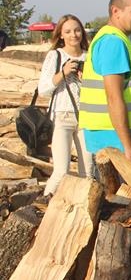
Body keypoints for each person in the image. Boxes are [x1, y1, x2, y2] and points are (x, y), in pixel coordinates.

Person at [79, 0, 131, 171]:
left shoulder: (112, 39)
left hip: (115, 137)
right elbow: (114, 98)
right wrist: (129, 148)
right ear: (116, 11)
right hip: (117, 141)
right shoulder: (113, 43)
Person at [37, 15, 93, 196]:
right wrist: (63, 72)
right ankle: (44, 205)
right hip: (62, 116)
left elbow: (97, 89)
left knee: (88, 171)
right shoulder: (55, 55)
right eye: (68, 31)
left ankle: (84, 207)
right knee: (61, 171)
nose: (73, 35)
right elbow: (43, 90)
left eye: (77, 30)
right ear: (60, 35)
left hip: (86, 117)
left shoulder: (89, 56)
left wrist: (86, 80)